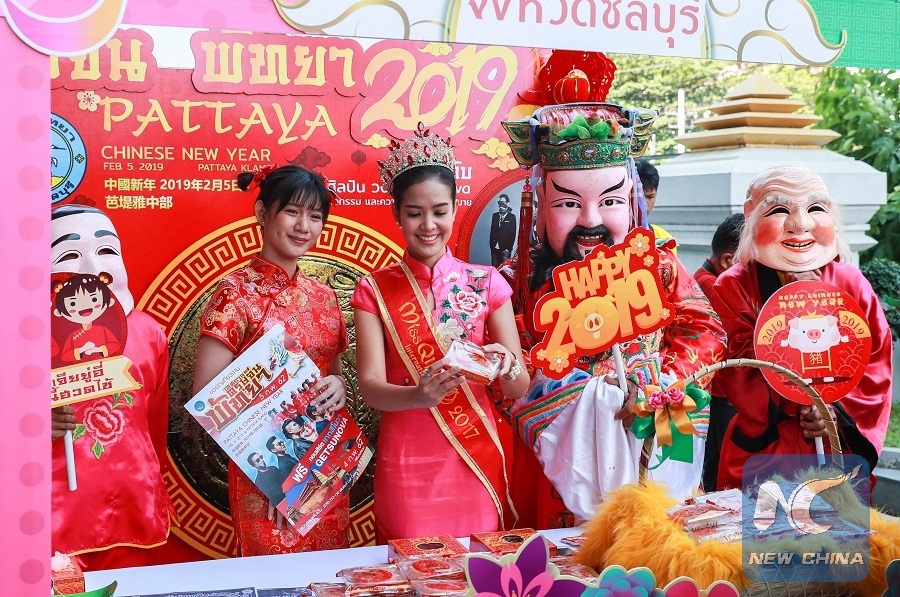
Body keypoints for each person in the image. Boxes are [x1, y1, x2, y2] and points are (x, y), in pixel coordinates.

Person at [501, 103, 726, 527]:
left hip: (657, 422)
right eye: (568, 203)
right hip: (559, 450)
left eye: (609, 201)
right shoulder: (516, 282)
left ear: (631, 201)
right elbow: (508, 363)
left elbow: (705, 329)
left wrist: (660, 386)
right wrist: (591, 398)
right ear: (541, 203)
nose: (591, 220)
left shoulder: (659, 266)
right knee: (568, 556)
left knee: (660, 533)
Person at [351, 122, 531, 541]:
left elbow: (519, 386)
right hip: (406, 463)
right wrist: (418, 396)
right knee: (411, 566)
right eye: (414, 213)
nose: (428, 224)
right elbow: (371, 388)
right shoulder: (374, 289)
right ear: (397, 214)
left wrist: (506, 364)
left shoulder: (487, 283)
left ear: (454, 208)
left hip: (475, 456)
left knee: (477, 566)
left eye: (439, 211)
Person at [192, 164, 350, 555]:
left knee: (329, 575)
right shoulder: (234, 293)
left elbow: (333, 375)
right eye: (292, 212)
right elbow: (207, 398)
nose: (303, 226)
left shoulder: (324, 296)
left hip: (325, 468)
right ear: (263, 212)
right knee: (274, 576)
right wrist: (282, 480)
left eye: (315, 216)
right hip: (266, 472)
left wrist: (339, 386)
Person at [712, 166, 893, 489]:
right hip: (766, 448)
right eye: (779, 210)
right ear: (751, 215)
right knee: (761, 520)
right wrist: (788, 309)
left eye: (816, 208)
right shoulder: (732, 286)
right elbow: (735, 372)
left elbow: (874, 364)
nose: (801, 224)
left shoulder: (850, 282)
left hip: (835, 445)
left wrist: (836, 413)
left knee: (837, 520)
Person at [50, 204, 175, 569]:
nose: (93, 267)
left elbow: (154, 428)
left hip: (135, 504)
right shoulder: (23, 337)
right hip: (55, 513)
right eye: (70, 255)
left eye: (106, 250)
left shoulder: (148, 332)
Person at [693, 212, 743, 491]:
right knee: (718, 472)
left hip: (721, 393)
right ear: (727, 261)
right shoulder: (713, 287)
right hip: (721, 395)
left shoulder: (706, 277)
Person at [53, 273, 121, 363]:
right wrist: (82, 349)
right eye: (72, 303)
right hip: (79, 370)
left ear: (109, 302)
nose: (83, 306)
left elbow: (115, 345)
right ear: (60, 312)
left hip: (106, 365)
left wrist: (97, 349)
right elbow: (65, 356)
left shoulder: (103, 330)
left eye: (94, 299)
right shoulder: (74, 335)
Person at [635, 159, 675, 253]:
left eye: (650, 197)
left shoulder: (665, 239)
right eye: (639, 198)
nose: (644, 204)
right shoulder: (613, 239)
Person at [489, 194, 517, 266]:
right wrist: (491, 245)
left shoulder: (512, 217)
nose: (501, 205)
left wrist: (509, 248)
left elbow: (513, 234)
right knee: (495, 268)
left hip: (505, 249)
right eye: (499, 202)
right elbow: (492, 231)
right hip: (495, 247)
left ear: (507, 203)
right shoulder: (495, 216)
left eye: (503, 202)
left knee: (504, 269)